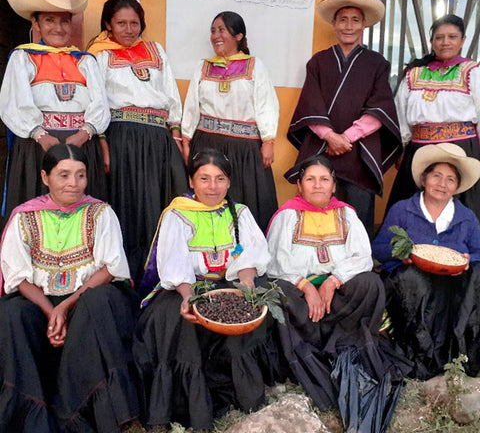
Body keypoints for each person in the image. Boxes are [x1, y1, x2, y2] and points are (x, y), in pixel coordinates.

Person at [134, 149, 283, 431]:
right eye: (204, 178)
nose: (212, 186)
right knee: (178, 321)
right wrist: (189, 298)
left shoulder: (240, 214)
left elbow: (248, 256)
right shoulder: (177, 215)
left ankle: (245, 395)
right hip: (187, 287)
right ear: (192, 181)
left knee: (245, 316)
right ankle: (183, 407)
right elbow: (175, 264)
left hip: (230, 282)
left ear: (229, 183)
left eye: (220, 179)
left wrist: (246, 284)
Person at [267, 155, 412, 433]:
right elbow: (274, 262)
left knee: (370, 283)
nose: (317, 185)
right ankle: (311, 356)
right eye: (310, 179)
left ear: (334, 185)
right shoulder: (286, 215)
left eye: (324, 179)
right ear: (299, 185)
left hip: (340, 295)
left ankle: (347, 347)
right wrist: (306, 286)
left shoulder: (347, 213)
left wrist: (333, 281)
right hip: (302, 297)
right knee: (281, 294)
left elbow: (363, 257)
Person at [0, 144, 139, 433]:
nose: (73, 184)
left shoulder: (100, 213)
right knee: (11, 314)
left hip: (85, 300)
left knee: (97, 301)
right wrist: (51, 311)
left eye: (80, 175)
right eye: (63, 175)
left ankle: (85, 413)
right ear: (44, 177)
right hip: (41, 303)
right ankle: (29, 416)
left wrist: (65, 306)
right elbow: (18, 277)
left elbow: (111, 268)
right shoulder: (24, 217)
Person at [87, 0, 188, 286]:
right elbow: (97, 101)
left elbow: (171, 93)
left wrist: (176, 135)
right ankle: (128, 279)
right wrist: (103, 143)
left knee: (164, 203)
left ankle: (162, 276)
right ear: (108, 24)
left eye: (134, 23)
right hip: (123, 138)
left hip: (159, 138)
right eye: (121, 23)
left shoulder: (156, 51)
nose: (129, 29)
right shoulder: (99, 56)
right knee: (129, 203)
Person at [285, 0, 402, 238]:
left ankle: (358, 266)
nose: (348, 26)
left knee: (359, 214)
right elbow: (310, 103)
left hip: (360, 151)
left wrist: (345, 138)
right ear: (334, 24)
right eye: (343, 19)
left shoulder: (377, 63)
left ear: (364, 25)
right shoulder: (318, 62)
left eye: (355, 20)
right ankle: (315, 258)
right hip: (323, 147)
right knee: (318, 207)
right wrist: (329, 136)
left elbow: (380, 106)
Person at [0, 0, 109, 220]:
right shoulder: (23, 57)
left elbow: (100, 104)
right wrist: (42, 136)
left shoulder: (85, 61)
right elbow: (14, 104)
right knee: (37, 211)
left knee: (81, 212)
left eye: (64, 21)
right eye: (49, 20)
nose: (58, 28)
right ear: (35, 22)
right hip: (38, 145)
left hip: (81, 143)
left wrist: (82, 136)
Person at [373, 143, 480, 380]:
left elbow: (478, 252)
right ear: (424, 179)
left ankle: (462, 355)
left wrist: (466, 260)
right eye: (437, 176)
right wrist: (400, 254)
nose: (442, 184)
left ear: (457, 187)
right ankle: (420, 357)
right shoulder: (403, 210)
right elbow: (379, 248)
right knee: (413, 279)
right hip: (409, 287)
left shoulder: (466, 218)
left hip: (450, 287)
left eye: (450, 179)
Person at [181, 11, 279, 232]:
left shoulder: (255, 66)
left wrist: (268, 141)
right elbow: (191, 105)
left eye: (222, 30)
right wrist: (186, 139)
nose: (216, 35)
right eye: (213, 30)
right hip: (207, 144)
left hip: (244, 149)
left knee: (246, 202)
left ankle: (246, 255)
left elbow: (265, 104)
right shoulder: (203, 67)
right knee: (207, 198)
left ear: (238, 36)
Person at [386, 14, 480, 221]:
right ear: (432, 42)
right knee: (412, 208)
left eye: (452, 37)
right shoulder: (414, 74)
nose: (445, 42)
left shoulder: (473, 72)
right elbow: (400, 113)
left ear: (463, 40)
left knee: (461, 209)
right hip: (420, 151)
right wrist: (402, 146)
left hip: (462, 151)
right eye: (439, 37)